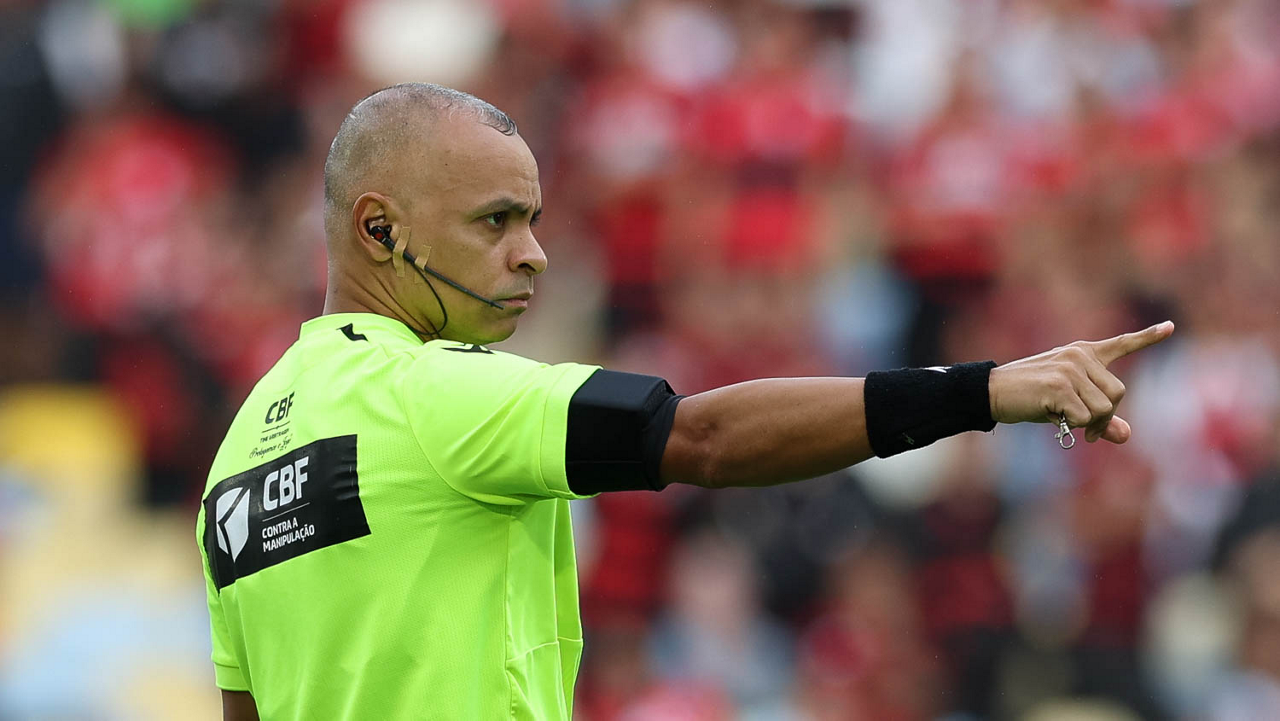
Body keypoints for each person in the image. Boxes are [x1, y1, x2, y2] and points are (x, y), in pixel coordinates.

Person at [196, 83, 1174, 721]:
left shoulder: (235, 465)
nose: (531, 253)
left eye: (531, 220)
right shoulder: (431, 394)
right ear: (377, 228)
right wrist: (988, 388)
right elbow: (695, 434)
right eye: (494, 221)